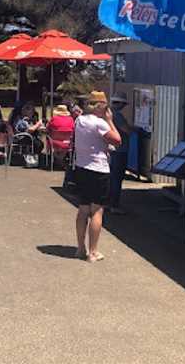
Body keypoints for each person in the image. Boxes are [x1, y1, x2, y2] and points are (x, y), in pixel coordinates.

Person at [73, 91, 121, 262]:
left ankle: (80, 248)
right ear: (101, 106)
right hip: (98, 170)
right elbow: (117, 140)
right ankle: (93, 252)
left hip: (81, 167)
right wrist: (110, 120)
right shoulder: (100, 123)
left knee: (83, 208)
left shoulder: (80, 120)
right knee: (97, 210)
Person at [108, 92, 134, 214]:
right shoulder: (117, 115)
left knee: (110, 177)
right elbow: (126, 130)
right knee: (116, 178)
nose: (123, 107)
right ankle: (114, 204)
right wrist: (133, 129)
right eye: (123, 104)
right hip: (119, 150)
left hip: (109, 149)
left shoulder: (107, 114)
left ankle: (108, 202)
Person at [46, 104, 75, 169]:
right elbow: (73, 130)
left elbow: (47, 129)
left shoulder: (54, 119)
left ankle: (58, 160)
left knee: (51, 140)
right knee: (64, 148)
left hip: (54, 142)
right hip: (67, 143)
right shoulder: (71, 120)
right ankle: (61, 160)